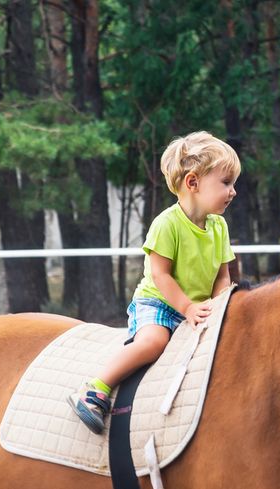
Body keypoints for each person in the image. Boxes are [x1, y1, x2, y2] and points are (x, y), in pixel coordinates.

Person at [68, 131, 240, 434]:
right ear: (192, 182)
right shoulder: (167, 224)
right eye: (226, 183)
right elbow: (160, 275)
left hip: (197, 307)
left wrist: (219, 305)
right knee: (154, 342)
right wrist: (187, 307)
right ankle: (95, 389)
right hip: (159, 303)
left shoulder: (219, 226)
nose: (233, 191)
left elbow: (222, 274)